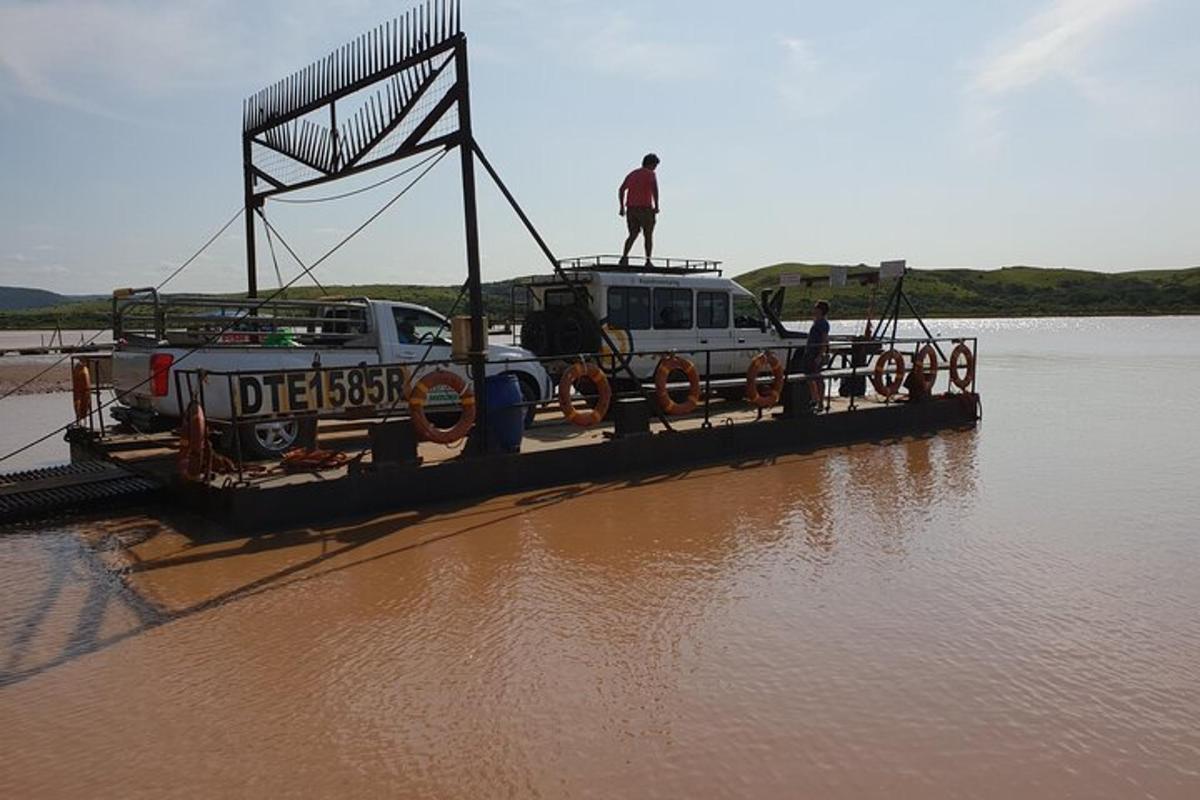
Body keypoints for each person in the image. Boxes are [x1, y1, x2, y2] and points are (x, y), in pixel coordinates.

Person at [618, 153, 660, 267]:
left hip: (631, 209)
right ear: (651, 164)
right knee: (648, 235)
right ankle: (648, 260)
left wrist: (622, 206)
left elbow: (621, 189)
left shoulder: (633, 174)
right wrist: (656, 206)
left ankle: (624, 257)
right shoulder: (650, 174)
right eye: (655, 165)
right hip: (645, 208)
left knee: (633, 234)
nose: (655, 168)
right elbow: (655, 190)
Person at [803, 300, 830, 407]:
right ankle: (815, 398)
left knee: (818, 377)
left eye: (816, 308)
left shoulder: (823, 323)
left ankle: (820, 401)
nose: (814, 310)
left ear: (820, 310)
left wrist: (820, 355)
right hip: (810, 352)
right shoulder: (817, 322)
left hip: (815, 353)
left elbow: (824, 340)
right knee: (809, 377)